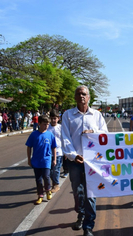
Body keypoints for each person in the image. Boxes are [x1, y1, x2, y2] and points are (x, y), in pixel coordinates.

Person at [62, 85, 108, 236]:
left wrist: (93, 132)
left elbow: (105, 134)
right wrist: (74, 155)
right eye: (79, 94)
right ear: (75, 97)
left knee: (91, 193)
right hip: (75, 161)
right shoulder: (68, 115)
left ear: (89, 97)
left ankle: (88, 225)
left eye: (84, 94)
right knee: (78, 191)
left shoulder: (96, 115)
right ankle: (80, 214)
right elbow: (65, 138)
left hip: (93, 161)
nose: (82, 96)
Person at [26, 115, 57, 205]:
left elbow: (53, 147)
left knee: (46, 176)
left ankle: (48, 190)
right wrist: (29, 159)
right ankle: (40, 195)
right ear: (39, 124)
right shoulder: (34, 135)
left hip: (46, 160)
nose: (46, 126)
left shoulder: (50, 134)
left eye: (47, 124)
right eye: (44, 124)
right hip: (36, 160)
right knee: (38, 179)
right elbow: (29, 147)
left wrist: (54, 159)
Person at [47, 110, 63, 193]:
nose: (53, 120)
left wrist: (65, 152)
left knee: (56, 169)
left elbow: (64, 140)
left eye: (55, 118)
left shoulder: (61, 128)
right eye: (52, 118)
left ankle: (56, 184)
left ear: (58, 118)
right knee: (48, 170)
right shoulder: (47, 128)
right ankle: (52, 182)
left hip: (59, 152)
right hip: (48, 152)